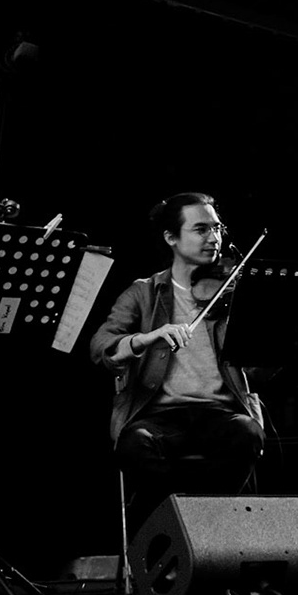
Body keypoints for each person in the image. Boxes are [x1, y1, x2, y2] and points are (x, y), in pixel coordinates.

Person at [90, 193, 264, 530]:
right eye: (200, 229)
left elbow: (259, 368)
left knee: (248, 434)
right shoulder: (144, 292)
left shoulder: (234, 291)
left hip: (221, 413)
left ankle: (200, 534)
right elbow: (101, 347)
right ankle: (184, 533)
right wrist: (146, 338)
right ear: (171, 237)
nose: (213, 239)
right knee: (135, 445)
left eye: (216, 228)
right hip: (159, 417)